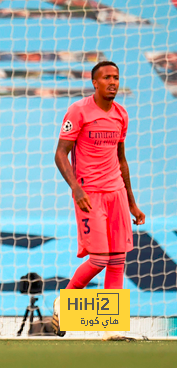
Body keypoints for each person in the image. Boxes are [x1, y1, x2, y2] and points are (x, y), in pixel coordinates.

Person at [52, 61, 145, 341]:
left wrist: (132, 202)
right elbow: (60, 153)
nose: (113, 82)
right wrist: (76, 189)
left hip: (116, 192)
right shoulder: (79, 111)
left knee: (117, 259)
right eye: (107, 77)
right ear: (95, 82)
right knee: (100, 258)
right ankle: (63, 301)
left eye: (116, 77)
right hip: (89, 195)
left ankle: (110, 328)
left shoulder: (121, 115)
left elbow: (121, 159)